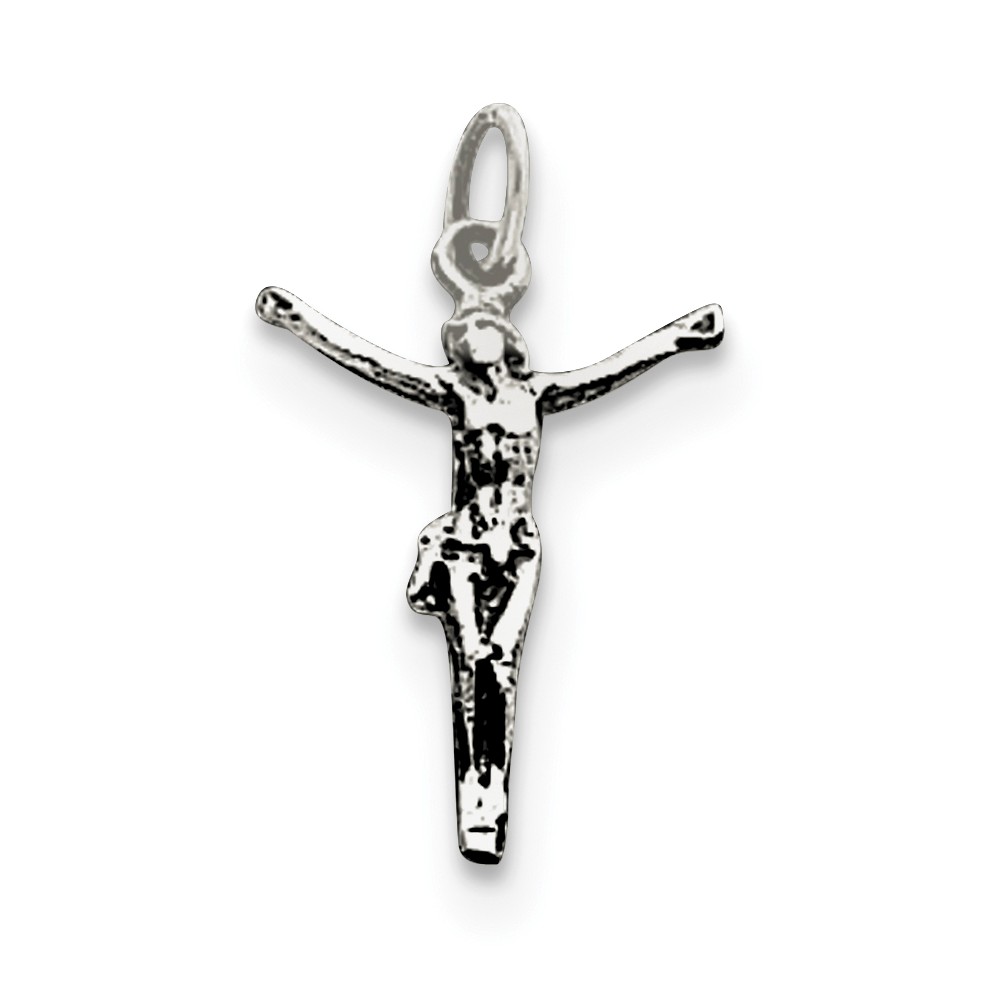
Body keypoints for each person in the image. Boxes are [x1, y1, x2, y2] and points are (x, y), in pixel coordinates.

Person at [256, 286, 723, 861]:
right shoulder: (455, 393)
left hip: (518, 549)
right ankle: (477, 814)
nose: (460, 342)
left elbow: (609, 373)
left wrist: (679, 338)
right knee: (471, 663)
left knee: (499, 668)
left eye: (473, 331)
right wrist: (299, 321)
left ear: (503, 338)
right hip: (467, 547)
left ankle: (489, 803)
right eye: (458, 337)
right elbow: (374, 365)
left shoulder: (538, 393)